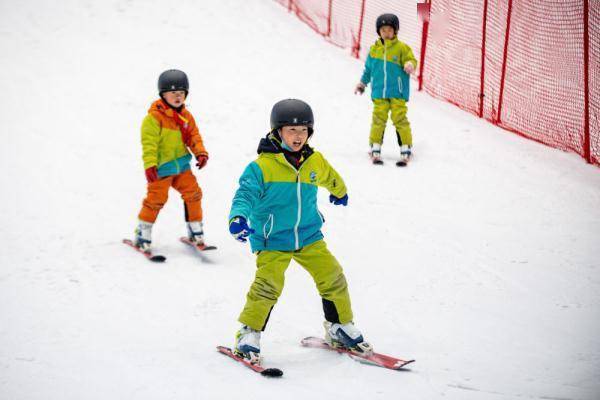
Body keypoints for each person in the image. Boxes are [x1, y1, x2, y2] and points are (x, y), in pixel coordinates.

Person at [227, 98, 372, 364]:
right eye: (291, 130)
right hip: (272, 238)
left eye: (303, 130)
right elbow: (245, 194)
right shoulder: (261, 167)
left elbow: (330, 176)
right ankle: (248, 334)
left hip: (308, 235)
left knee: (332, 276)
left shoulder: (314, 161)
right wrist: (237, 217)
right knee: (267, 286)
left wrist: (340, 191)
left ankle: (339, 326)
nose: (298, 136)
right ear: (277, 132)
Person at [133, 69, 209, 252]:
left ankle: (195, 231)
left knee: (194, 194)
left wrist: (200, 153)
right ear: (163, 94)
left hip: (182, 166)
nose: (177, 97)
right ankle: (142, 233)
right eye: (173, 93)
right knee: (155, 200)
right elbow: (149, 144)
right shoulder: (153, 118)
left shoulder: (186, 117)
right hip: (161, 169)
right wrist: (150, 165)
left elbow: (194, 136)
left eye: (181, 93)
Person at [355, 13, 417, 165]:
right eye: (383, 30)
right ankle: (375, 147)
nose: (386, 33)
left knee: (399, 119)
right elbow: (368, 70)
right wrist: (362, 83)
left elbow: (411, 59)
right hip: (379, 93)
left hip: (398, 92)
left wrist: (410, 65)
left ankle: (406, 147)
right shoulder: (374, 50)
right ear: (379, 32)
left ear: (395, 31)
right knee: (378, 120)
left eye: (389, 30)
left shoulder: (402, 48)